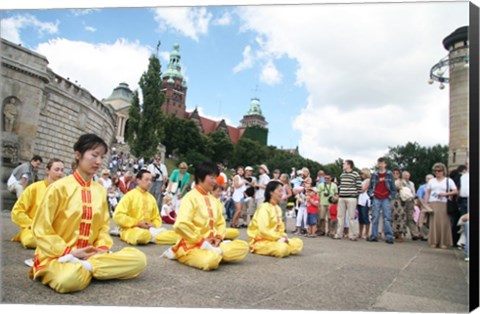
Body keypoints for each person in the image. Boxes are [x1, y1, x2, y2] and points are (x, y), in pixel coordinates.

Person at [30, 133, 146, 293]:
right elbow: (41, 229)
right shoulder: (59, 188)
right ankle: (90, 268)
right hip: (58, 255)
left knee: (139, 260)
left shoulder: (99, 190)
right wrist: (69, 251)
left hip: (91, 255)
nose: (99, 161)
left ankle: (86, 267)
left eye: (102, 156)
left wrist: (101, 248)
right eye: (94, 155)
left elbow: (103, 228)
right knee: (67, 280)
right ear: (78, 155)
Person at [168, 162, 249, 271]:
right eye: (211, 178)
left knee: (243, 246)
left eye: (215, 178)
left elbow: (220, 223)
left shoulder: (214, 200)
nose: (215, 182)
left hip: (213, 243)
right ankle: (209, 254)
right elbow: (180, 225)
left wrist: (218, 238)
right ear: (200, 177)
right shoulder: (190, 197)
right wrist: (202, 241)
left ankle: (215, 253)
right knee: (211, 261)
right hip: (193, 245)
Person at [113, 169, 179, 246]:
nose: (149, 182)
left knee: (177, 236)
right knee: (142, 236)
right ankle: (150, 237)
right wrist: (137, 223)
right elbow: (118, 216)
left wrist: (153, 224)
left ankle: (151, 237)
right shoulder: (129, 196)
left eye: (151, 180)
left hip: (150, 229)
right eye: (146, 180)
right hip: (132, 229)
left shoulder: (151, 198)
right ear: (138, 180)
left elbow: (157, 218)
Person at [11, 158, 65, 249]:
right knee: (30, 240)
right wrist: (32, 224)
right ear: (47, 171)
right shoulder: (34, 188)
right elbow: (17, 211)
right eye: (56, 170)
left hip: (54, 230)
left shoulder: (64, 192)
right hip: (33, 229)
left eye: (62, 170)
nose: (60, 173)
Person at [247, 180, 303, 257]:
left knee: (298, 243)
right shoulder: (264, 207)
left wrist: (284, 236)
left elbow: (280, 228)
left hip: (275, 239)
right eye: (279, 191)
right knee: (282, 249)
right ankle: (280, 246)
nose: (282, 194)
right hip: (262, 240)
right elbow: (263, 230)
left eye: (282, 191)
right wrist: (278, 238)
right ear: (271, 192)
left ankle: (281, 245)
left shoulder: (278, 208)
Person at [425, 162, 457, 249]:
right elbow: (428, 192)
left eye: (439, 171)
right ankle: (434, 241)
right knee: (433, 223)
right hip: (433, 202)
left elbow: (455, 191)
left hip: (444, 203)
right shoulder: (431, 181)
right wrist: (426, 203)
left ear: (443, 171)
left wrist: (446, 194)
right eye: (435, 171)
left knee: (444, 222)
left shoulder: (448, 180)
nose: (437, 172)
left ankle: (444, 242)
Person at [367, 157, 396, 244]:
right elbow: (370, 187)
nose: (380, 165)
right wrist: (372, 195)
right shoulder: (374, 174)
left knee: (387, 218)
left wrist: (390, 196)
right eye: (379, 163)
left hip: (386, 198)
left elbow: (393, 187)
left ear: (385, 164)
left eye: (382, 163)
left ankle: (389, 237)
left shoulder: (389, 174)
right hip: (376, 197)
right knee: (375, 217)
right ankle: (374, 236)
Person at [334, 160, 361, 240]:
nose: (343, 165)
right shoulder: (342, 174)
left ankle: (353, 235)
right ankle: (339, 234)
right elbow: (341, 186)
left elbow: (359, 186)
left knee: (351, 217)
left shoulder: (355, 174)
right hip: (342, 197)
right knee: (340, 216)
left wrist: (355, 195)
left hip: (351, 197)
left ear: (349, 165)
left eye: (344, 164)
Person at [402, 170, 420, 240]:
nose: (406, 177)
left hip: (410, 201)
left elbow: (414, 192)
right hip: (403, 201)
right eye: (405, 175)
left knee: (410, 217)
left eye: (408, 175)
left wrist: (414, 200)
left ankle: (414, 234)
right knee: (402, 217)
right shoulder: (400, 182)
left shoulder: (411, 183)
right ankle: (401, 233)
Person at [391, 168, 407, 242]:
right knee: (392, 218)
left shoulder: (402, 181)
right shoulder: (389, 181)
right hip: (391, 201)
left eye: (397, 173)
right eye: (394, 173)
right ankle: (394, 234)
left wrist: (399, 188)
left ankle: (400, 234)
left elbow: (405, 190)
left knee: (400, 218)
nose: (395, 174)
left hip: (400, 202)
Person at [357, 168, 371, 240]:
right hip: (360, 200)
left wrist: (356, 189)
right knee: (360, 218)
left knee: (365, 217)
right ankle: (360, 233)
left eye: (362, 174)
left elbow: (363, 190)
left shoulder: (368, 180)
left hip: (365, 200)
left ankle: (366, 233)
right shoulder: (362, 181)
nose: (360, 175)